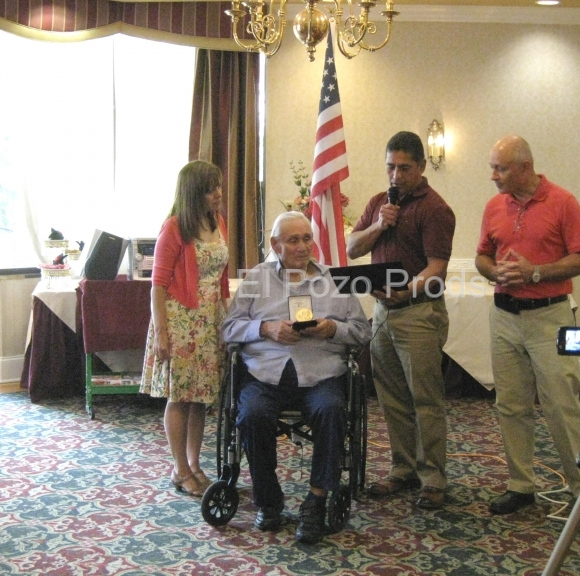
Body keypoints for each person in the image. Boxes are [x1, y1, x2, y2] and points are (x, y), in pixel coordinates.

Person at [222, 211, 371, 544]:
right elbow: (229, 329)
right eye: (293, 240)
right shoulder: (256, 279)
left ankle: (315, 502)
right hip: (264, 375)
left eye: (307, 238)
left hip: (321, 374)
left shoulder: (336, 279)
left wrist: (333, 329)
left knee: (332, 411)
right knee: (252, 414)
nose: (303, 247)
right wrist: (265, 328)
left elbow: (363, 332)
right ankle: (268, 501)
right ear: (276, 245)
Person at [475, 135, 580, 515]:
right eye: (492, 168)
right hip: (504, 316)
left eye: (500, 168)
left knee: (562, 405)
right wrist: (494, 271)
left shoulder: (563, 202)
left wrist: (536, 272)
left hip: (550, 317)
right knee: (511, 405)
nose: (493, 176)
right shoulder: (494, 206)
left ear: (525, 167)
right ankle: (520, 486)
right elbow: (481, 257)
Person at [346, 131, 456, 510]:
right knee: (391, 397)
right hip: (382, 312)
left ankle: (433, 478)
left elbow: (438, 267)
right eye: (390, 167)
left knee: (425, 399)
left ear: (422, 166)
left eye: (405, 168)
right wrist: (379, 225)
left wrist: (407, 291)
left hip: (419, 312)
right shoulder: (380, 202)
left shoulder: (435, 209)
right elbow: (352, 247)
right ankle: (402, 468)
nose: (396, 175)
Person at [140, 160, 230, 498]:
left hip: (210, 320)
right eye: (210, 189)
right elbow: (158, 285)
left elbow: (222, 278)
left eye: (218, 185)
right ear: (194, 193)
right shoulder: (174, 227)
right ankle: (179, 469)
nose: (218, 193)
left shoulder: (218, 221)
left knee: (200, 398)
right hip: (180, 321)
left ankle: (194, 464)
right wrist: (162, 333)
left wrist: (228, 317)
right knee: (180, 397)